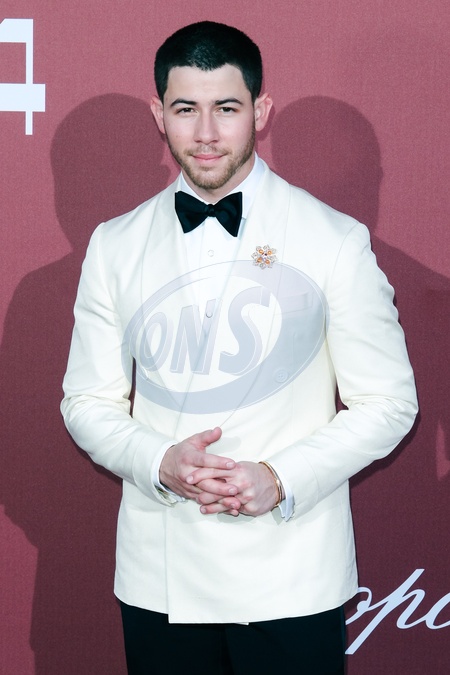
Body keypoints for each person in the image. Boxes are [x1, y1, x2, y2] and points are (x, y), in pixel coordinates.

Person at [61, 21, 418, 674]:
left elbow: (389, 403)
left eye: (226, 108)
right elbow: (86, 400)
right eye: (185, 109)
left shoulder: (334, 239)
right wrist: (159, 462)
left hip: (292, 572)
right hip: (159, 574)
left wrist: (278, 478)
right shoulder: (114, 244)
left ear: (260, 110)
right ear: (158, 115)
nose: (205, 133)